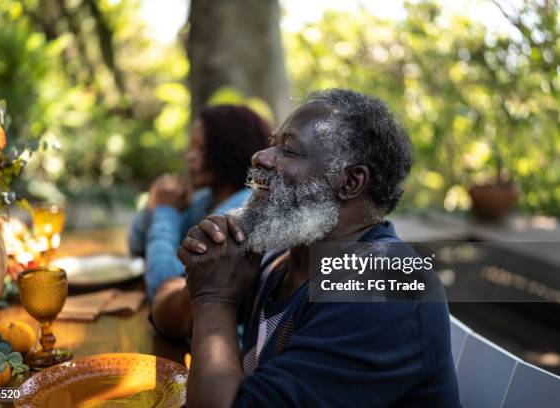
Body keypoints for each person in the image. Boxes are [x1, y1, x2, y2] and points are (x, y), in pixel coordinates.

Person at [152, 89, 461, 407]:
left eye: (288, 149)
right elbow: (164, 314)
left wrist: (213, 298)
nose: (261, 156)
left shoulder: (385, 287)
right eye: (273, 142)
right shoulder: (283, 256)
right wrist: (206, 272)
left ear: (351, 182)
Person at [128, 105, 270, 300]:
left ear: (230, 149)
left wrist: (165, 210)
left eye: (201, 148)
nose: (190, 157)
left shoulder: (238, 213)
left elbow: (162, 285)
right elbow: (137, 246)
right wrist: (154, 202)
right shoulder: (206, 200)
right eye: (191, 146)